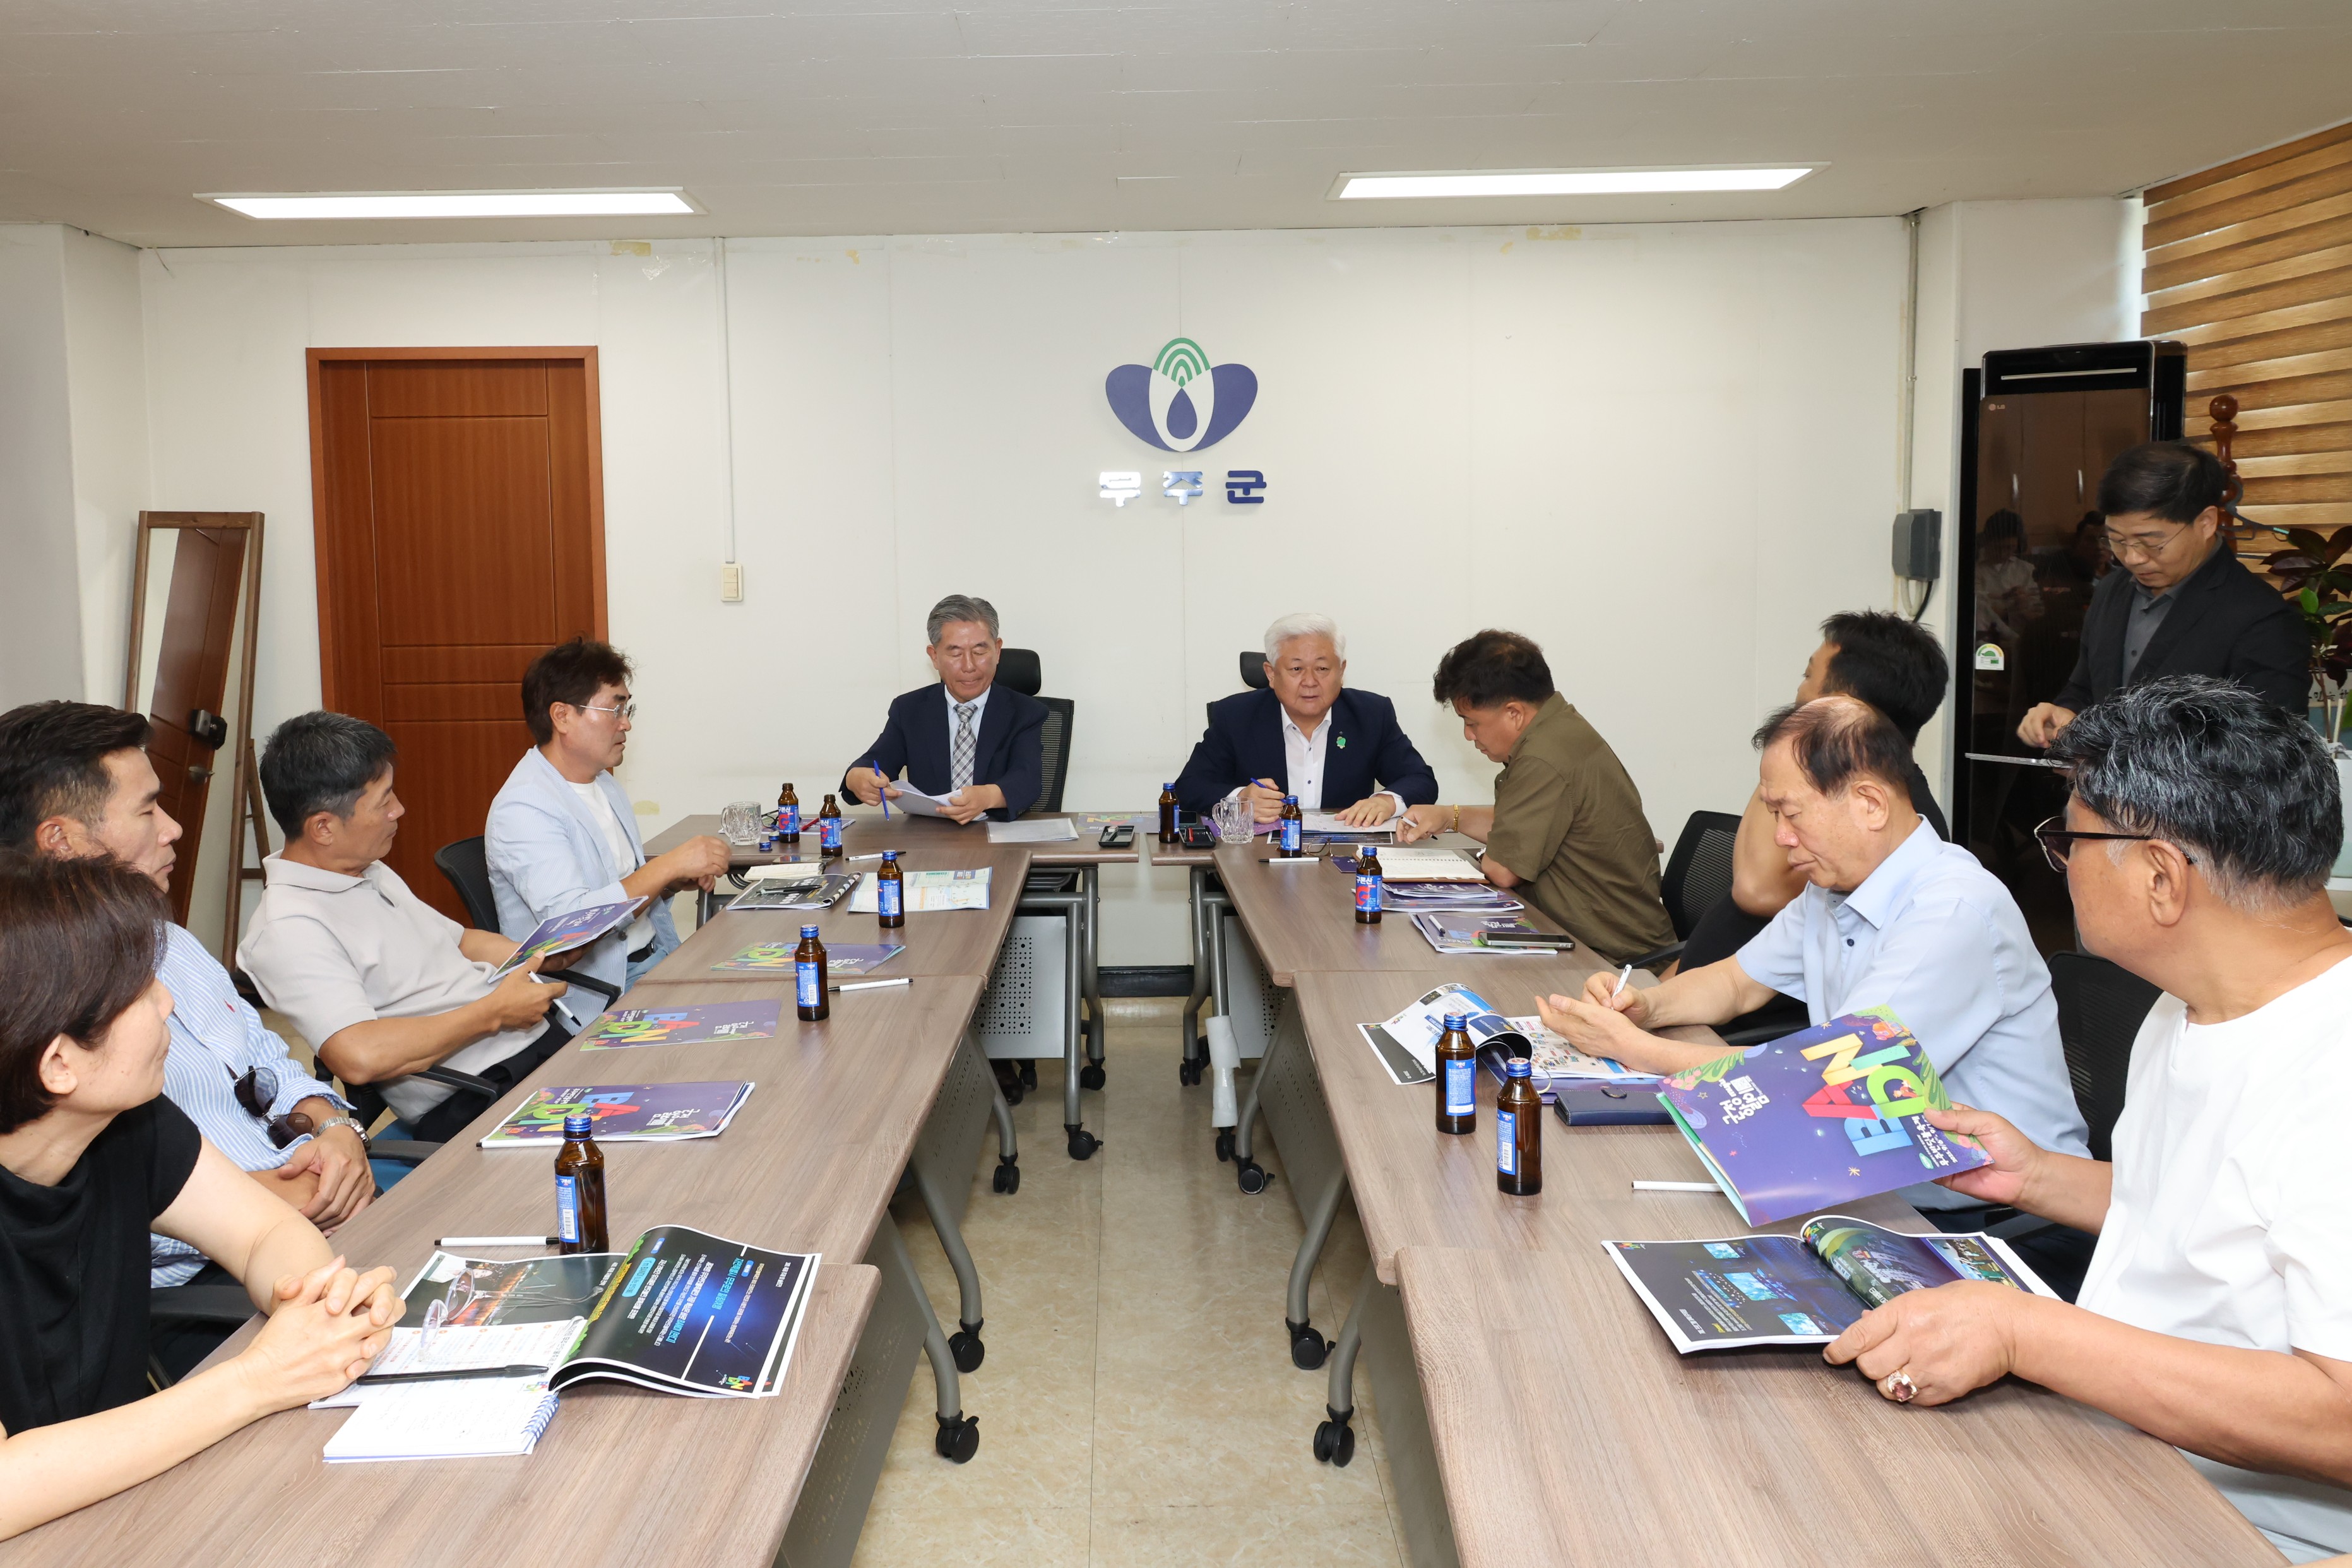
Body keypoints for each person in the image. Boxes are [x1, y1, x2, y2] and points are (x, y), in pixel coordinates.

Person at [1820, 677, 2352, 1562]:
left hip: (2234, 1528)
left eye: (2070, 840)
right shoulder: (2191, 1002)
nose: (2056, 865)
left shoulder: (2332, 1065)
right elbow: (2222, 1222)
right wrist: (2034, 1177)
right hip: (2113, 1448)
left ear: (2159, 876)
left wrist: (2027, 1331)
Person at [1539, 696, 2090, 1216]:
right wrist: (1645, 1007)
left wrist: (1634, 1050)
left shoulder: (1952, 910)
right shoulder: (1835, 884)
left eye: (1791, 814)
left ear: (1869, 804)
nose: (1779, 837)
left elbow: (1824, 1083)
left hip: (1978, 1213)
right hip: (1862, 1170)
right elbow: (1738, 983)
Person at [0, 851, 401, 1541]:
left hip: (130, 1507)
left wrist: (317, 1304)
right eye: (139, 991)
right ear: (60, 1064)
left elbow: (260, 1233)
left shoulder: (127, 1122)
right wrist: (259, 1378)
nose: (168, 1003)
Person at [0, 701, 383, 1377]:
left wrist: (334, 1129)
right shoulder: (107, 1097)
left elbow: (267, 1062)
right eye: (148, 811)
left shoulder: (140, 1110)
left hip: (302, 1216)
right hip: (206, 1292)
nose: (175, 829)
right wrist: (258, 1376)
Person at [241, 714, 572, 1145]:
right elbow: (359, 1056)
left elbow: (460, 941)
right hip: (479, 1094)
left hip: (535, 1044)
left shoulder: (368, 870)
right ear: (323, 827)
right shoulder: (289, 928)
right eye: (383, 801)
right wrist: (494, 1013)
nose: (399, 810)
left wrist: (540, 953)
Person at [1679, 612, 1952, 987]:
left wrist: (1800, 748)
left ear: (1842, 704)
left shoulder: (1894, 828)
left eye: (1809, 676)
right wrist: (1656, 994)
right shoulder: (1823, 882)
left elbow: (1755, 889)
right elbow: (1731, 973)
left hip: (1769, 1036)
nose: (1799, 694)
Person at [1396, 630, 1674, 963]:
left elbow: (1502, 870)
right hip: (1584, 935)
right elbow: (1522, 824)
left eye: (1472, 722)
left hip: (1612, 957)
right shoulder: (1557, 728)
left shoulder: (1543, 757)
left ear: (1514, 713)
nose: (1469, 735)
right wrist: (1448, 815)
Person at [2017, 441, 2305, 747]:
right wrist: (2064, 713)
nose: (2132, 558)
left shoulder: (2262, 618)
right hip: (2100, 793)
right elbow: (2087, 688)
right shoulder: (2113, 591)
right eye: (2116, 540)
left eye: (2151, 542)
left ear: (2206, 523)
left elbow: (2272, 750)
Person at [487, 638, 729, 994]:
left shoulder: (603, 783)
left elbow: (618, 888)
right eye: (614, 710)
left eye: (627, 711)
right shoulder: (524, 807)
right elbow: (569, 926)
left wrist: (670, 882)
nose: (626, 725)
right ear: (563, 716)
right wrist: (666, 867)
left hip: (657, 956)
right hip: (601, 989)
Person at [1170, 612, 1438, 826]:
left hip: (1344, 861)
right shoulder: (1235, 715)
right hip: (1260, 862)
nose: (1310, 682)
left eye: (1322, 668)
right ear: (1271, 674)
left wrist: (1387, 801)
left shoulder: (1371, 714)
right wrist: (1240, 799)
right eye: (1296, 669)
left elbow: (1421, 780)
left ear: (1341, 671)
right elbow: (1190, 787)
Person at [844, 594, 1047, 824]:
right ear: (934, 656)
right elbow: (876, 761)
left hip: (997, 837)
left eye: (980, 652)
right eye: (955, 653)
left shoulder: (1026, 712)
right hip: (928, 841)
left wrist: (987, 796)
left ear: (998, 651)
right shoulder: (910, 710)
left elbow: (1028, 779)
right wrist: (857, 778)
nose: (969, 666)